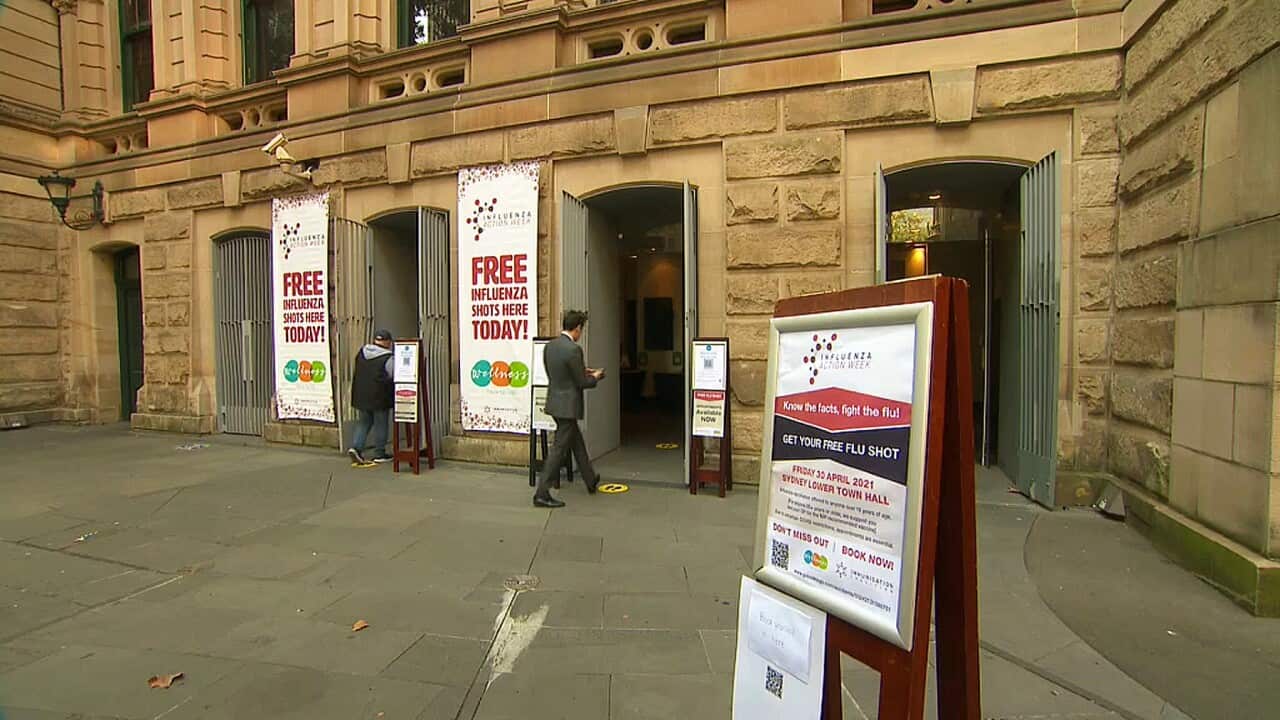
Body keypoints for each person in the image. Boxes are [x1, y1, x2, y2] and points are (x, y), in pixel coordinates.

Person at [534, 310, 604, 508]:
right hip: (568, 405)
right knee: (559, 449)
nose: (581, 334)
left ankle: (590, 479)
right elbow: (581, 382)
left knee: (576, 441)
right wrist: (596, 376)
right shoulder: (574, 350)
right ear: (577, 328)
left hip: (555, 402)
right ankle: (542, 492)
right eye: (582, 329)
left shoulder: (550, 346)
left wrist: (583, 372)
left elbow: (560, 373)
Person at [347, 329, 395, 464]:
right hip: (379, 396)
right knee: (381, 424)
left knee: (364, 422)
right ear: (387, 342)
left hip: (361, 395)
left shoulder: (362, 353)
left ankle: (356, 448)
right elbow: (393, 375)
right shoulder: (388, 358)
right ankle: (379, 453)